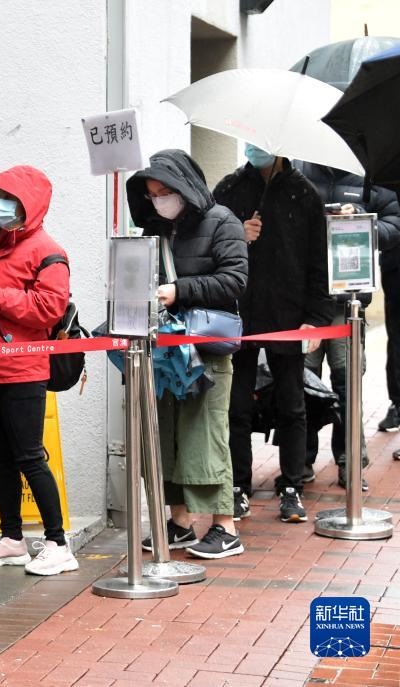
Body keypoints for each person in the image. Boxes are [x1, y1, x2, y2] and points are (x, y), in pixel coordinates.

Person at [0, 164, 79, 576]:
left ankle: (58, 543)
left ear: (30, 204)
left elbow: (48, 309)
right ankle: (12, 539)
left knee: (29, 457)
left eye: (9, 198)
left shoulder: (49, 251)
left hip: (23, 369)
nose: (0, 205)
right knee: (0, 457)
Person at [126, 150, 248, 558]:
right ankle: (180, 523)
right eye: (152, 194)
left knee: (206, 434)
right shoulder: (156, 228)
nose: (159, 200)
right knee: (170, 436)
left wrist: (180, 290)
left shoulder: (223, 221)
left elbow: (234, 280)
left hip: (206, 346)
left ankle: (225, 527)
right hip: (167, 350)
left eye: (165, 192)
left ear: (185, 186)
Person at [213, 144, 333, 524]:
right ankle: (238, 486)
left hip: (289, 314)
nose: (255, 148)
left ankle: (292, 485)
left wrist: (315, 317)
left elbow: (318, 263)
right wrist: (238, 235)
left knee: (292, 404)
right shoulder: (229, 188)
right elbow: (209, 247)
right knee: (236, 406)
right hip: (240, 315)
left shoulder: (304, 193)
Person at [293, 161, 400, 487]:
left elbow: (394, 224)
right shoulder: (298, 171)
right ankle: (300, 461)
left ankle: (350, 462)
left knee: (348, 382)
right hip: (305, 303)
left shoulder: (369, 175)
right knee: (303, 383)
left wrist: (360, 221)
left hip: (347, 302)